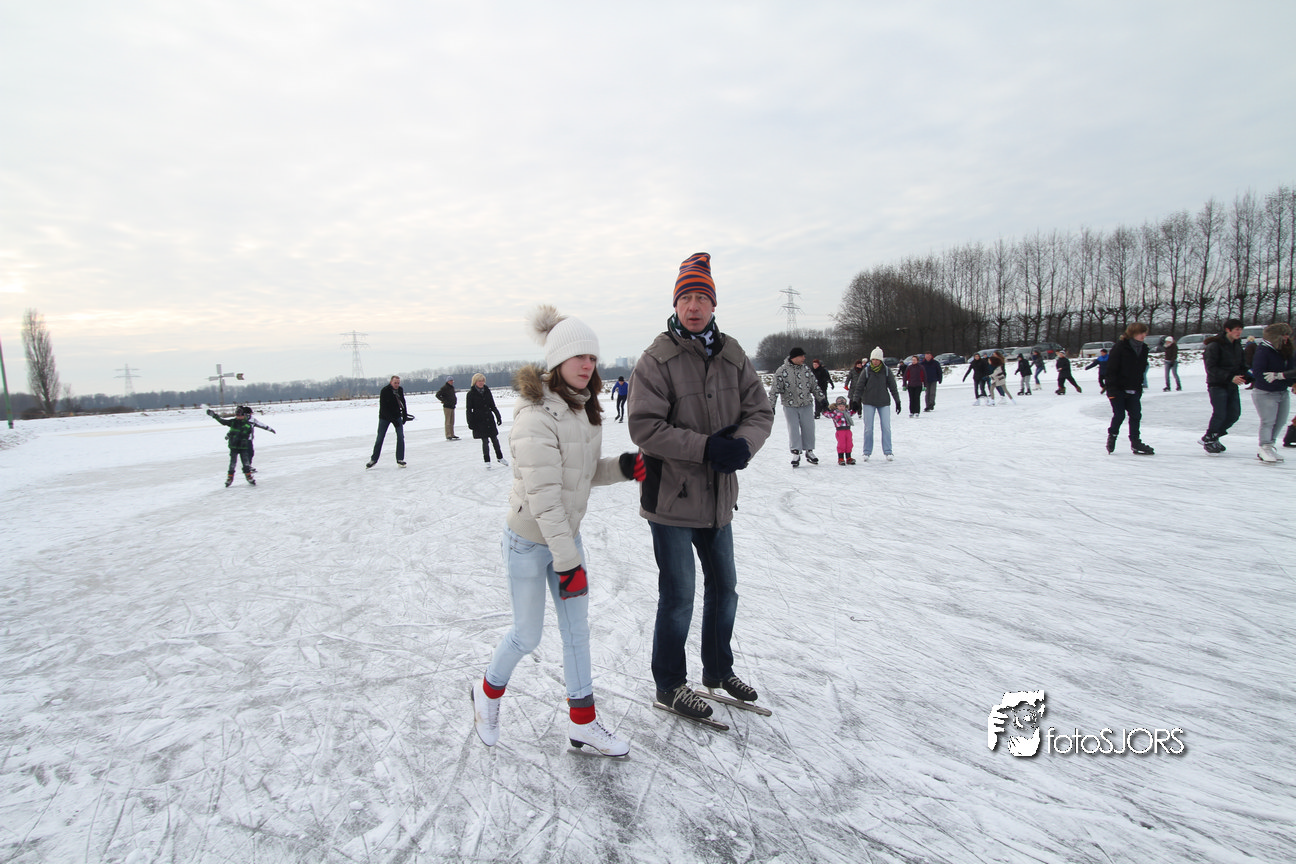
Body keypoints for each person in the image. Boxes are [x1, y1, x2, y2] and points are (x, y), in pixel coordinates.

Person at [471, 305, 643, 756]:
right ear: (557, 361)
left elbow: (580, 474)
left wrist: (624, 467)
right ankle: (486, 692)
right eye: (579, 356)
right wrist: (569, 564)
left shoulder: (583, 408)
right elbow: (545, 499)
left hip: (567, 538)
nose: (588, 365)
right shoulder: (535, 416)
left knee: (576, 633)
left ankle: (583, 724)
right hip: (530, 543)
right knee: (527, 635)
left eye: (593, 357)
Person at [627, 252, 774, 722]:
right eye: (686, 297)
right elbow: (645, 428)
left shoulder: (733, 355)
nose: (693, 306)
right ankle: (670, 684)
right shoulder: (657, 359)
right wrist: (707, 448)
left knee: (725, 589)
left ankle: (717, 671)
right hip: (672, 499)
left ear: (713, 304)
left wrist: (744, 445)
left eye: (701, 298)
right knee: (679, 597)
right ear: (675, 304)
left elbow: (760, 411)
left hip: (718, 500)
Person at [1201, 319, 1252, 454]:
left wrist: (1247, 375)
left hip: (1232, 385)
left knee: (1234, 414)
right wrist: (1230, 377)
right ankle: (1210, 438)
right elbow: (1211, 367)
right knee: (1220, 413)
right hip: (1217, 384)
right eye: (1236, 329)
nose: (1239, 332)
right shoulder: (1215, 345)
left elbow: (1242, 364)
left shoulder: (1237, 345)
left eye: (1241, 329)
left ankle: (1213, 436)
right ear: (1228, 330)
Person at [1103, 323, 1154, 455]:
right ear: (1132, 333)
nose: (1143, 335)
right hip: (1117, 388)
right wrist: (1111, 389)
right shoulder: (1120, 347)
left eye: (1144, 332)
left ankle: (1135, 442)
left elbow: (1140, 370)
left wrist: (1139, 388)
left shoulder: (1144, 348)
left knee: (1136, 415)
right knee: (1119, 415)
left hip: (1134, 388)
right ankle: (1112, 436)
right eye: (1140, 333)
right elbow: (1111, 369)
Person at [1250, 323, 1296, 462]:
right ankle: (1264, 446)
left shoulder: (1286, 349)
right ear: (1276, 336)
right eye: (1284, 334)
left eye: (1288, 334)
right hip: (1265, 392)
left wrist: (1284, 379)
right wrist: (1282, 380)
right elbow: (1259, 373)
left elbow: (1291, 369)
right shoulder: (1263, 351)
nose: (1287, 337)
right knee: (1268, 421)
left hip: (1282, 392)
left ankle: (1270, 445)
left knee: (1280, 421)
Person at [768, 346, 821, 467]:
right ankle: (796, 452)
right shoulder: (782, 371)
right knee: (793, 429)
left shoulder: (806, 369)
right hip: (790, 405)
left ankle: (809, 451)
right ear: (794, 357)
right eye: (801, 356)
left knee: (809, 428)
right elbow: (775, 389)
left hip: (806, 404)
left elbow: (814, 385)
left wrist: (822, 400)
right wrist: (771, 405)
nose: (804, 358)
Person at [848, 347, 901, 461]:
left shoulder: (886, 371)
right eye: (873, 359)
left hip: (883, 402)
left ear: (881, 360)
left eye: (877, 359)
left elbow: (893, 387)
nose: (875, 362)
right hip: (869, 402)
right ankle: (866, 452)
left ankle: (888, 451)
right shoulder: (866, 371)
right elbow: (859, 387)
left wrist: (897, 401)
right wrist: (855, 401)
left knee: (886, 427)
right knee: (868, 428)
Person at [206, 404, 274, 486]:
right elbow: (223, 422)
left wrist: (236, 436)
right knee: (232, 463)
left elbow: (245, 433)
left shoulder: (247, 425)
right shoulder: (233, 422)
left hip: (243, 447)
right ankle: (230, 478)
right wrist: (214, 415)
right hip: (234, 447)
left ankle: (249, 476)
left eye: (240, 415)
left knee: (246, 463)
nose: (238, 417)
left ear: (244, 415)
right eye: (237, 415)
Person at [367, 375, 411, 468]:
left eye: (398, 383)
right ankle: (373, 459)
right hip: (385, 417)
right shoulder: (385, 391)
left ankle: (400, 459)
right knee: (380, 437)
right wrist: (393, 420)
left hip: (397, 415)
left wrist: (404, 415)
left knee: (400, 436)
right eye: (395, 383)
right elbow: (383, 408)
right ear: (391, 382)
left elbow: (403, 402)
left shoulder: (400, 390)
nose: (397, 385)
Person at [466, 372, 507, 468]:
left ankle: (500, 457)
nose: (481, 383)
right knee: (485, 441)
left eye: (482, 381)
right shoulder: (471, 394)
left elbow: (492, 405)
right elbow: (469, 409)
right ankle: (487, 460)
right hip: (479, 420)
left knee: (495, 439)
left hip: (489, 418)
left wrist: (498, 416)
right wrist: (470, 422)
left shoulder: (487, 391)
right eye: (479, 381)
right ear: (475, 382)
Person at [823, 395, 856, 464]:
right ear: (837, 406)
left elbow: (851, 413)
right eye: (840, 406)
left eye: (843, 406)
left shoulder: (847, 412)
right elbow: (827, 415)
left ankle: (848, 457)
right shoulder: (835, 413)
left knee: (849, 444)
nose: (842, 408)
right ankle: (840, 458)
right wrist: (824, 409)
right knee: (841, 444)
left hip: (848, 430)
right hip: (840, 431)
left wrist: (855, 409)